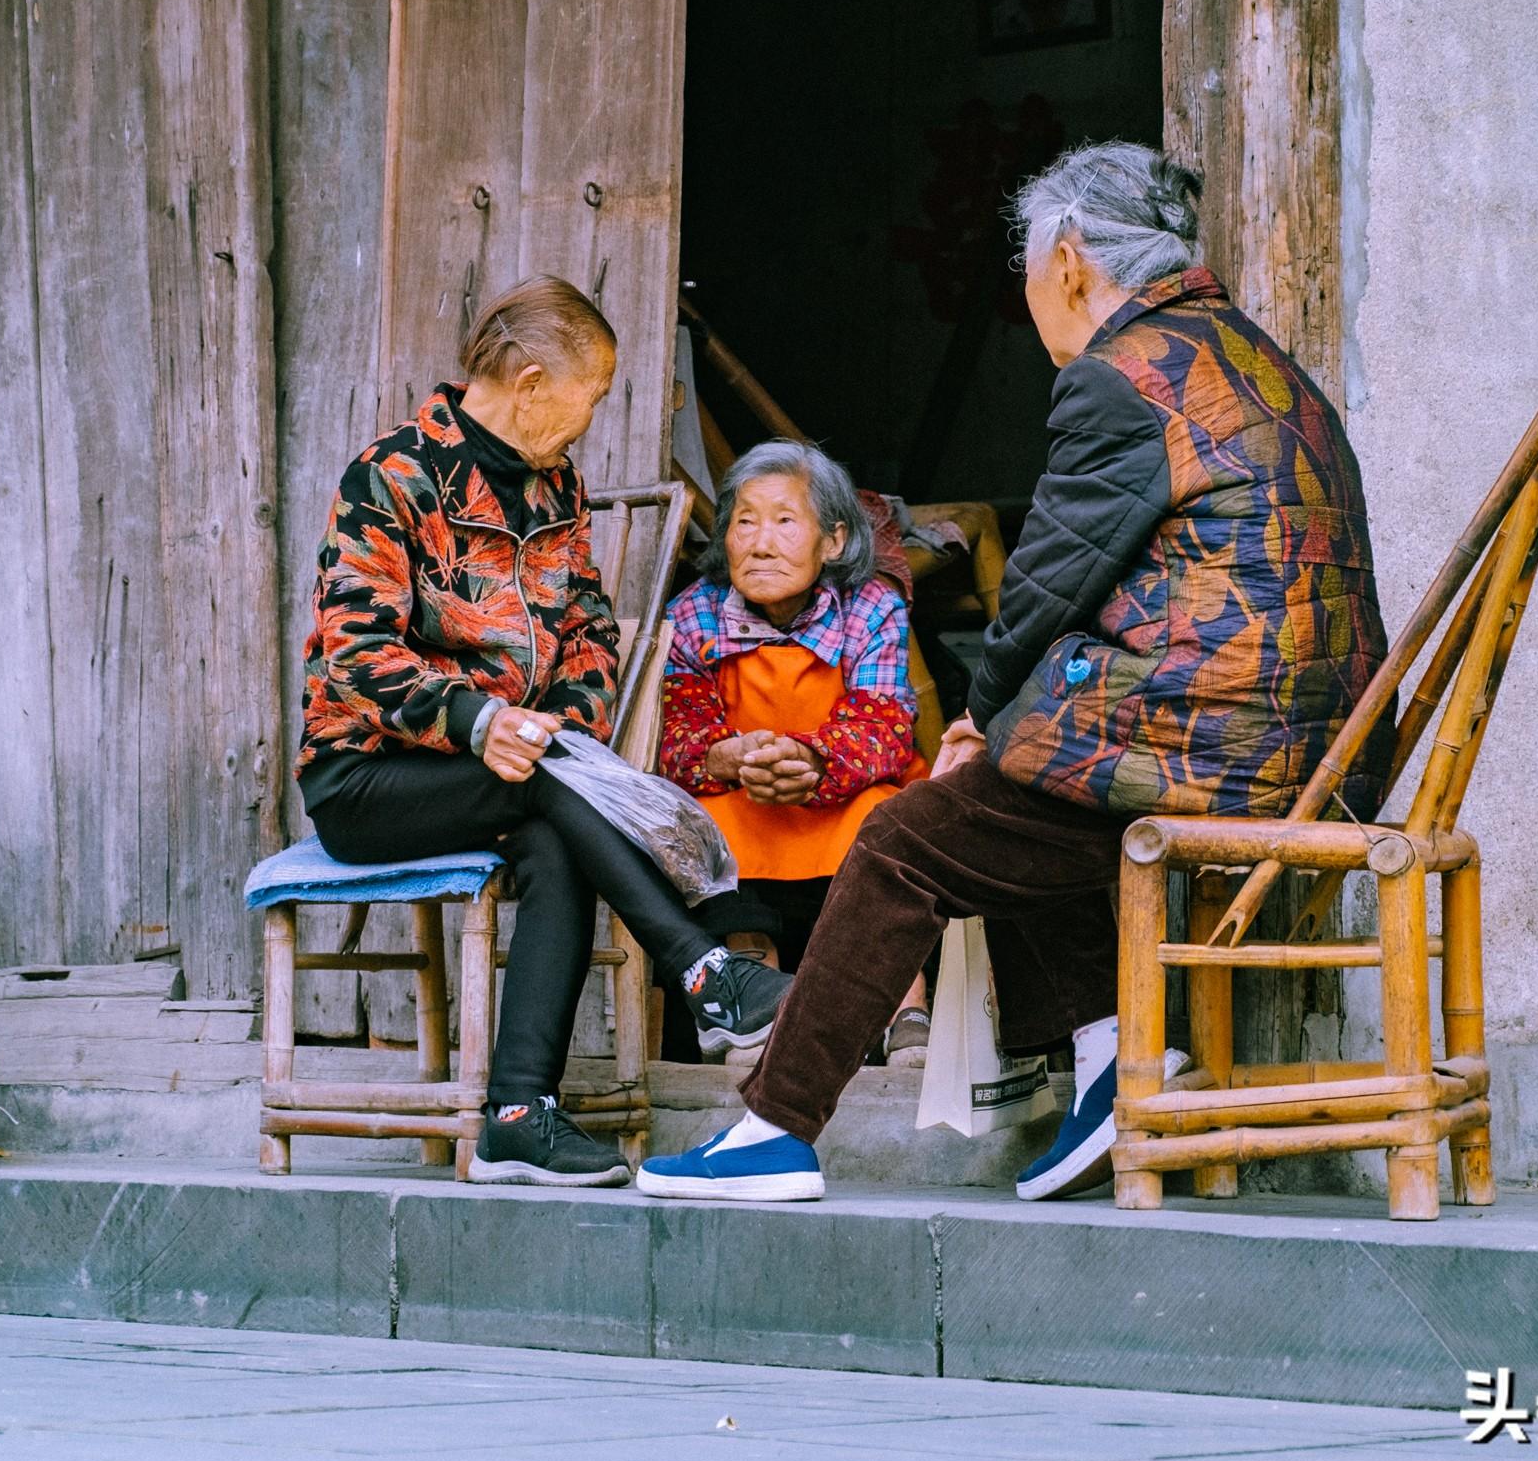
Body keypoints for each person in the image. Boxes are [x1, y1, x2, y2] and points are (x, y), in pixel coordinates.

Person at [637, 143, 1390, 1204]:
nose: (1033, 301)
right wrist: (1004, 725)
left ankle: (772, 1124)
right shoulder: (1256, 357)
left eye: (1031, 275)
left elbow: (1045, 577)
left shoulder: (1122, 376)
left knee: (904, 836)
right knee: (1031, 781)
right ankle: (1114, 1059)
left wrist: (978, 713)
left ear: (1072, 262)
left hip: (1221, 750)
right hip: (1324, 753)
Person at [299, 278, 789, 1187]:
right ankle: (705, 965)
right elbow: (352, 655)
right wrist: (479, 721)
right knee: (544, 789)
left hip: (521, 771)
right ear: (528, 383)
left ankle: (519, 1115)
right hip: (369, 778)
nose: (592, 417)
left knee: (553, 834)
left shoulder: (553, 483)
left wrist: (556, 730)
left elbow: (592, 631)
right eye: (588, 396)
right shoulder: (393, 475)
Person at [659, 441, 1003, 1085]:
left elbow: (883, 727)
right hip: (741, 787)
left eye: (785, 521)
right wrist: (727, 757)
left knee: (888, 815)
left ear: (835, 540)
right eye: (744, 520)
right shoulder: (691, 614)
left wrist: (813, 762)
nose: (760, 543)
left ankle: (906, 1005)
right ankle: (748, 1002)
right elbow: (681, 731)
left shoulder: (872, 608)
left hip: (844, 785)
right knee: (706, 819)